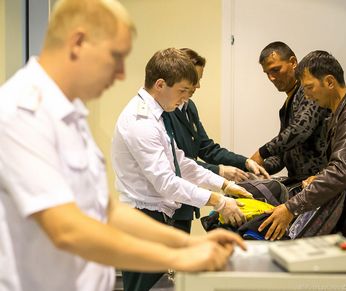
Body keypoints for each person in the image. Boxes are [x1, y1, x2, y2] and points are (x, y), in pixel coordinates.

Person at [0, 1, 246, 291]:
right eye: (115, 57)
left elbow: (104, 209)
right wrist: (180, 255)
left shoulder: (69, 114)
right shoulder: (22, 112)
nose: (119, 73)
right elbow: (66, 229)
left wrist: (188, 242)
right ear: (78, 42)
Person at [111, 48, 252, 291]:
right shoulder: (141, 122)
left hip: (157, 216)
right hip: (144, 217)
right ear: (160, 84)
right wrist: (218, 201)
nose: (185, 99)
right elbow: (166, 182)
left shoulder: (157, 116)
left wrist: (224, 185)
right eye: (182, 91)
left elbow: (181, 161)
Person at [258, 50, 346, 241]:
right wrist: (318, 177)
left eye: (309, 88)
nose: (307, 97)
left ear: (330, 82)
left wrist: (291, 207)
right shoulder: (340, 113)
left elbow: (340, 171)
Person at [167, 48, 270, 183]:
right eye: (194, 80)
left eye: (199, 79)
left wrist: (245, 162)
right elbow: (176, 162)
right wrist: (219, 171)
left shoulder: (189, 107)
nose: (198, 86)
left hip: (190, 191)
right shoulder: (165, 110)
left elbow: (206, 148)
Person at [250, 41, 330, 185]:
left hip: (319, 183)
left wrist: (262, 152)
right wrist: (258, 168)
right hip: (299, 182)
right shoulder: (287, 104)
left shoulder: (310, 92)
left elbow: (300, 129)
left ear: (293, 62)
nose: (271, 78)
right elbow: (283, 155)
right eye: (267, 73)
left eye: (275, 70)